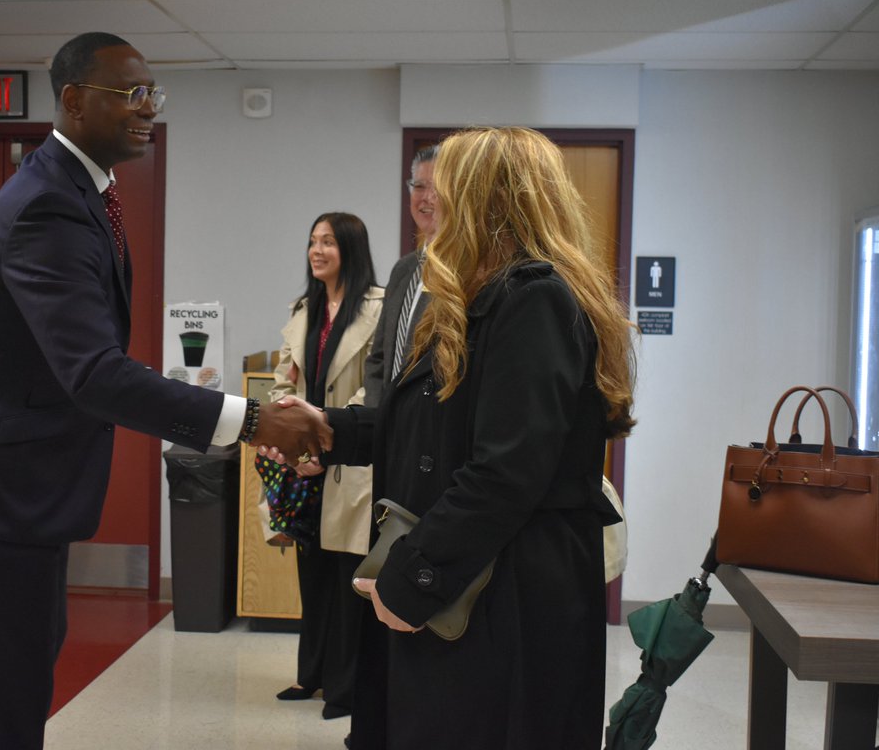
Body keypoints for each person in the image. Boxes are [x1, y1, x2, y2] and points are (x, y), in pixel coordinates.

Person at [0, 32, 328, 750]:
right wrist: (253, 420)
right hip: (3, 474)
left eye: (151, 96)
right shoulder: (47, 203)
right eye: (131, 95)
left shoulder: (80, 190)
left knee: (25, 666)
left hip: (21, 469)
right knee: (15, 679)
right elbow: (94, 374)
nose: (147, 110)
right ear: (74, 101)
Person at [271, 127, 635, 749]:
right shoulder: (481, 295)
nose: (431, 205)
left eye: (448, 190)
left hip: (503, 594)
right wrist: (331, 428)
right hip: (473, 580)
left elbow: (505, 471)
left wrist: (410, 578)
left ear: (489, 202)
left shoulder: (533, 301)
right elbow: (435, 423)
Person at [268, 213, 382, 721]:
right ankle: (308, 674)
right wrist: (292, 435)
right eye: (312, 241)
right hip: (304, 463)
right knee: (310, 572)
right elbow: (282, 379)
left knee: (345, 579)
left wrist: (324, 438)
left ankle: (344, 689)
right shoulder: (302, 308)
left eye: (328, 242)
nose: (317, 251)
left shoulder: (377, 308)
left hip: (347, 458)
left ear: (351, 249)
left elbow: (372, 390)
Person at [363, 146, 437, 406]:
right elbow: (379, 358)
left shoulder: (469, 272)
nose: (426, 197)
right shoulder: (404, 269)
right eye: (418, 186)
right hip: (386, 425)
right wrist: (375, 417)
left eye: (437, 188)